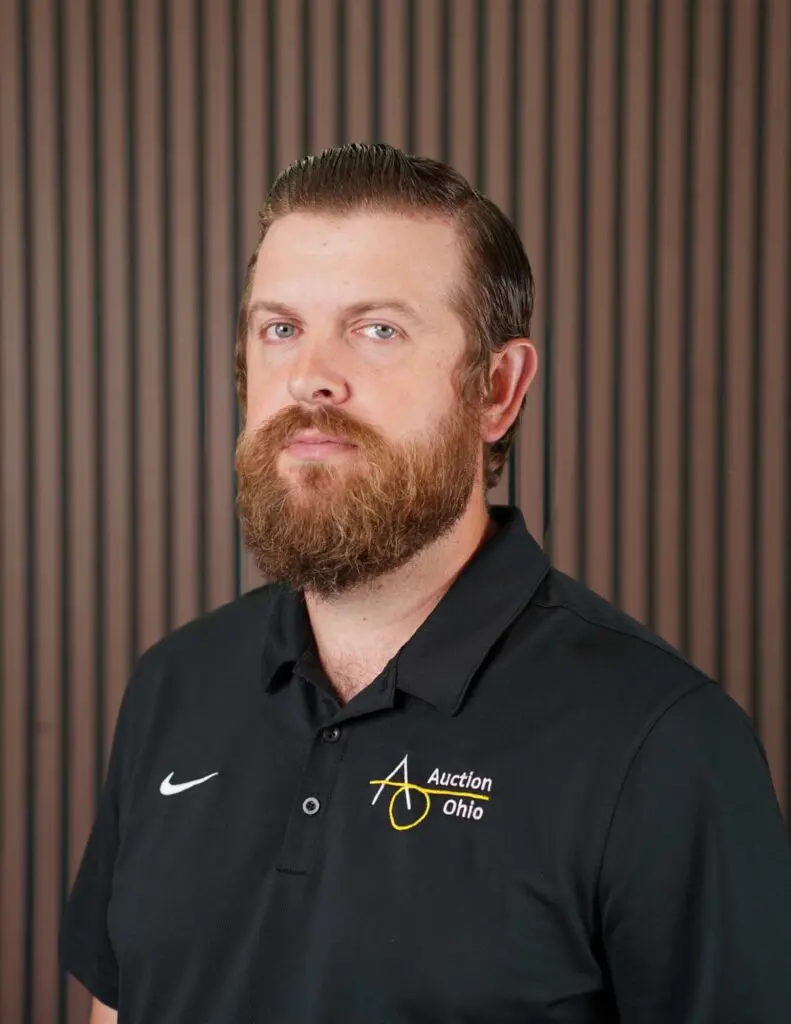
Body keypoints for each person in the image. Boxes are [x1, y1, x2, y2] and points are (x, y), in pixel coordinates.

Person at [60, 143, 791, 1024]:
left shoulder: (663, 745)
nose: (310, 377)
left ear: (496, 389)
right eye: (280, 328)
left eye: (377, 329)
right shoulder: (174, 685)